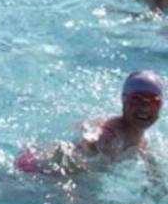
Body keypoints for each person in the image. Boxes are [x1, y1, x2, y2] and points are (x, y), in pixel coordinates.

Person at [15, 71, 164, 176]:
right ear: (124, 100)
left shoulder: (144, 143)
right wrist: (90, 144)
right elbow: (92, 139)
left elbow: (153, 172)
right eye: (137, 100)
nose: (144, 108)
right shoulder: (112, 134)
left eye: (153, 102)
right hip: (36, 167)